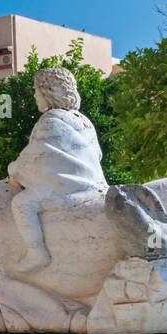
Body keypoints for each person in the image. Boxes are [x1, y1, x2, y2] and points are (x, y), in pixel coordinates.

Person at [8, 67, 108, 272]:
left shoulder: (50, 120)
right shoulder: (84, 121)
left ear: (49, 92)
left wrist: (13, 169)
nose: (35, 96)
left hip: (70, 192)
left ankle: (37, 254)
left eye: (37, 90)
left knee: (21, 203)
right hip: (96, 186)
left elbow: (31, 158)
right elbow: (98, 155)